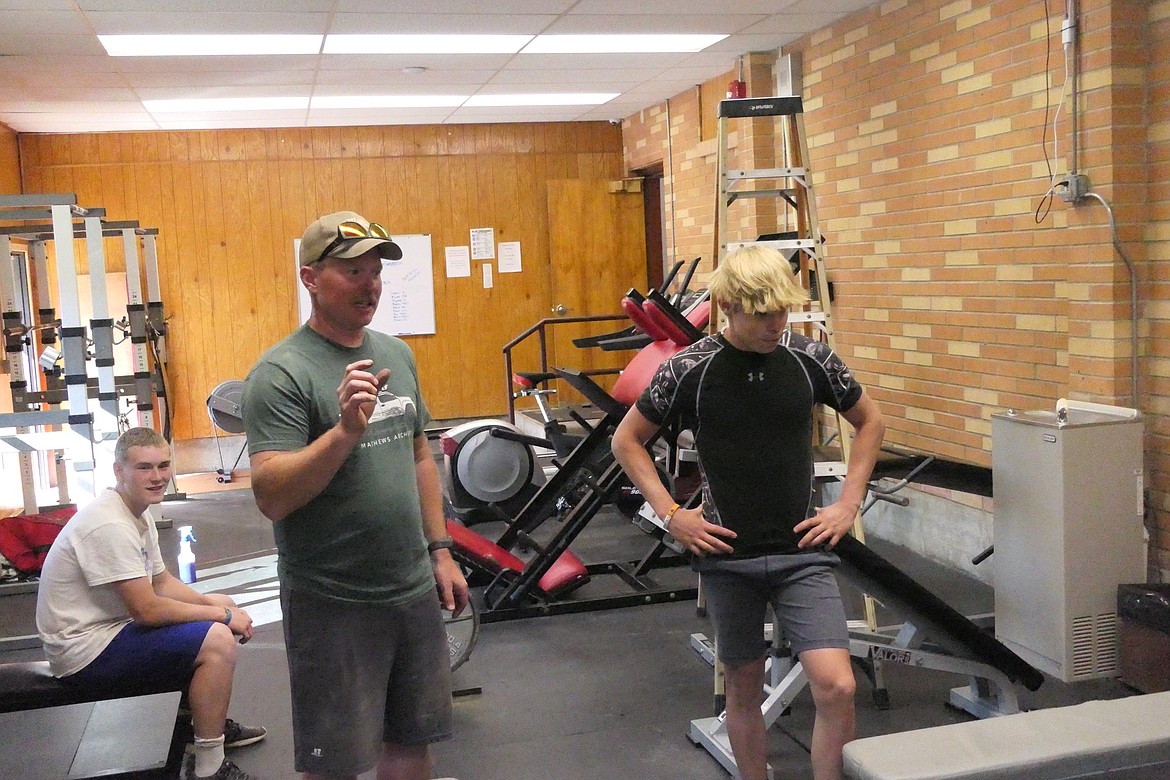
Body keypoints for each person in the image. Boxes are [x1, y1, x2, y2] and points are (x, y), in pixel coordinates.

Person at [611, 245, 886, 780]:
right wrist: (671, 513)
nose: (776, 325)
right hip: (726, 555)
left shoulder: (811, 359)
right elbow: (628, 441)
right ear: (728, 306)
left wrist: (849, 502)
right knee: (741, 686)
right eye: (763, 314)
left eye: (782, 312)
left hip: (802, 552)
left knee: (839, 685)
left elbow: (870, 422)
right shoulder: (689, 368)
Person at [241, 210, 469, 780]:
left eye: (375, 272)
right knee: (336, 763)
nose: (370, 285)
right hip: (333, 599)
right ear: (310, 279)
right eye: (352, 272)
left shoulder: (397, 353)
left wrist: (439, 549)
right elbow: (271, 496)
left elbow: (419, 454)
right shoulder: (280, 373)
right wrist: (344, 432)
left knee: (413, 743)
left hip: (410, 587)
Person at [36, 426, 266, 780]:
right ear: (118, 471)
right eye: (144, 468)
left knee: (221, 605)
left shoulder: (136, 511)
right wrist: (220, 617)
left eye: (163, 465)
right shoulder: (108, 524)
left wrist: (218, 606)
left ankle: (200, 722)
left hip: (110, 630)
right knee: (217, 639)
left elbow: (161, 582)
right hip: (84, 653)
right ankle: (208, 764)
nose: (157, 477)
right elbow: (147, 611)